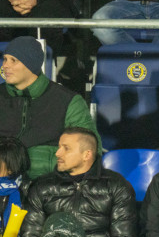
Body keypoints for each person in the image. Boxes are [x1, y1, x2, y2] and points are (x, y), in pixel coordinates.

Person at [20, 127, 137, 237]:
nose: (58, 153)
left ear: (87, 154)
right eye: (59, 147)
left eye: (66, 148)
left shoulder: (116, 186)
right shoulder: (42, 187)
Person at [0, 38, 98, 179]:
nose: (5, 66)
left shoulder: (67, 100)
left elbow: (88, 149)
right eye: (5, 59)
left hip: (49, 184)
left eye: (13, 60)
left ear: (31, 65)